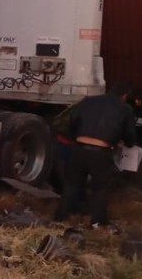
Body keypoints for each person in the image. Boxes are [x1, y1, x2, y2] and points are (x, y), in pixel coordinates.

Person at [55, 81, 137, 229]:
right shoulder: (125, 109)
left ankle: (60, 217)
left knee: (72, 185)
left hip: (78, 148)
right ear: (124, 96)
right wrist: (126, 143)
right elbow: (129, 136)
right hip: (100, 152)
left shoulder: (88, 101)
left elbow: (71, 121)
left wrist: (76, 137)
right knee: (100, 188)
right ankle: (97, 222)